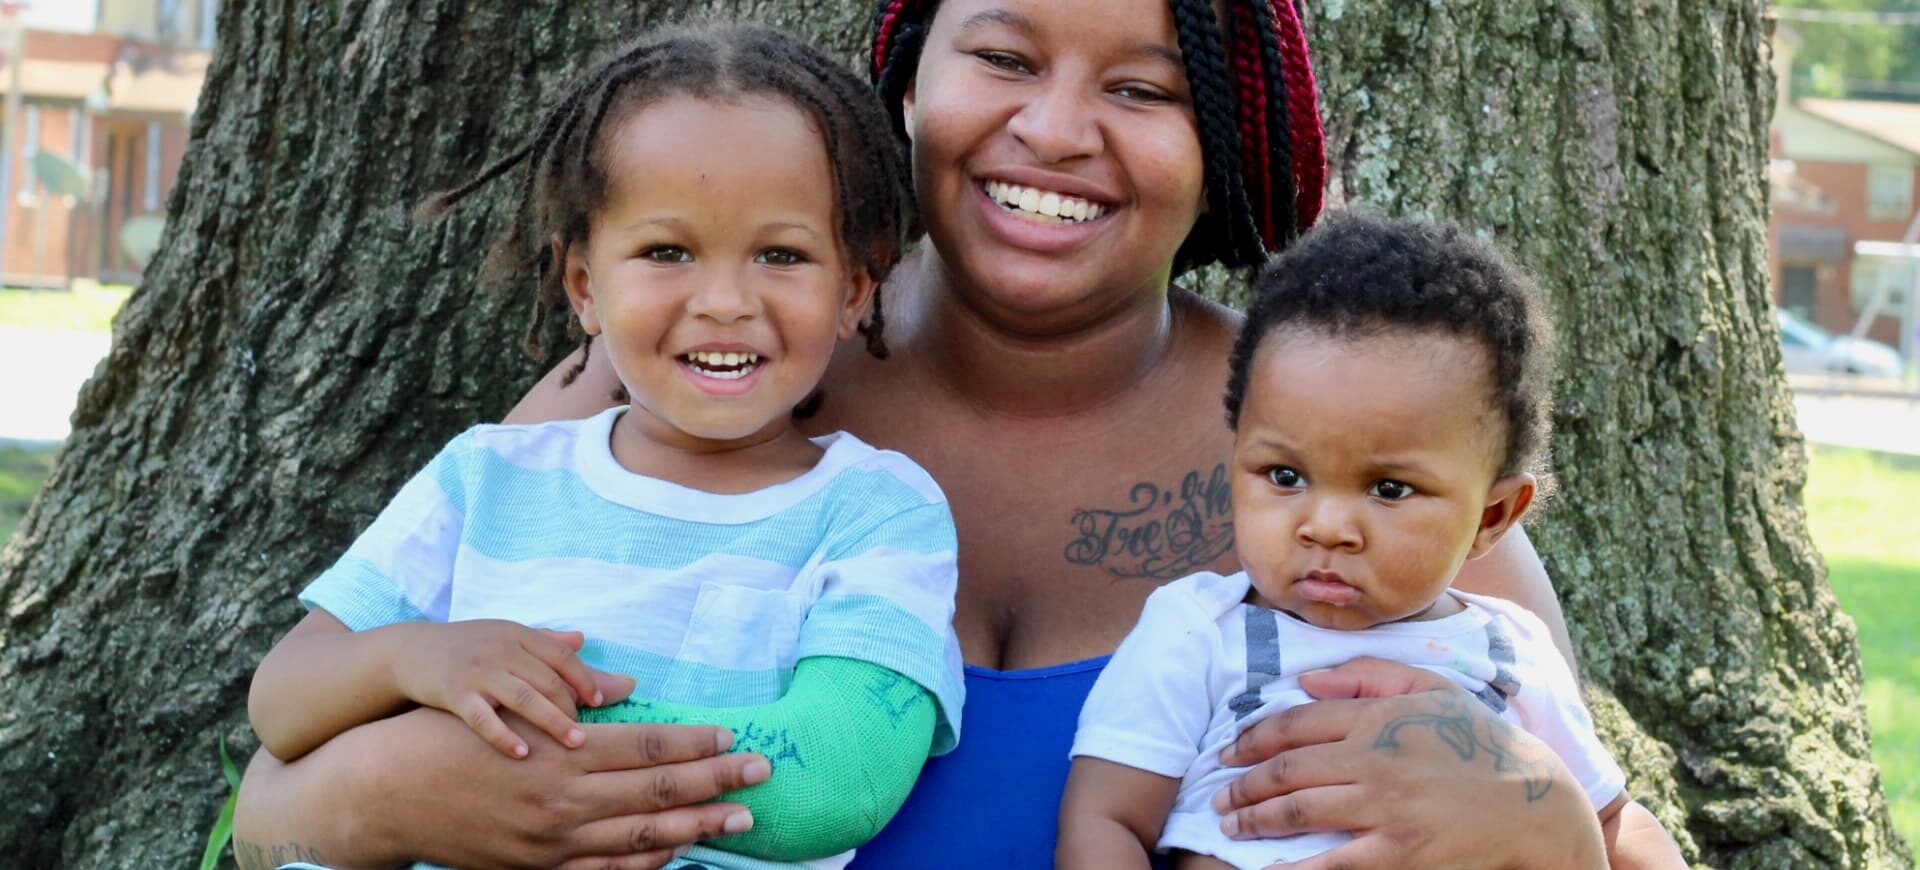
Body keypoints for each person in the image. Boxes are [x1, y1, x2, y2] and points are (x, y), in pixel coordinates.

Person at [234, 1, 1673, 866]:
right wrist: (391, 789)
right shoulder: (674, 397)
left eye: (1143, 85)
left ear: (1223, 136)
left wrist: (1546, 835)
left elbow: (1592, 816)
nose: (1054, 129)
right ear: (906, 78)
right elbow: (273, 801)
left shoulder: (1355, 444)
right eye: (1003, 54)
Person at [242, 24, 964, 870]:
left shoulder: (875, 511)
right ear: (585, 287)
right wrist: (412, 660)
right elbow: (283, 702)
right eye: (667, 251)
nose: (725, 301)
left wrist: (484, 752)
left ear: (852, 291)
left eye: (781, 254)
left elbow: (835, 780)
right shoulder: (488, 477)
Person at [1057, 214, 1685, 868]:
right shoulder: (1201, 634)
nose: (1326, 526)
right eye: (1285, 476)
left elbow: (1611, 824)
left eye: (1388, 488)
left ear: (1493, 517)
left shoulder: (1512, 653)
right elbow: (1106, 818)